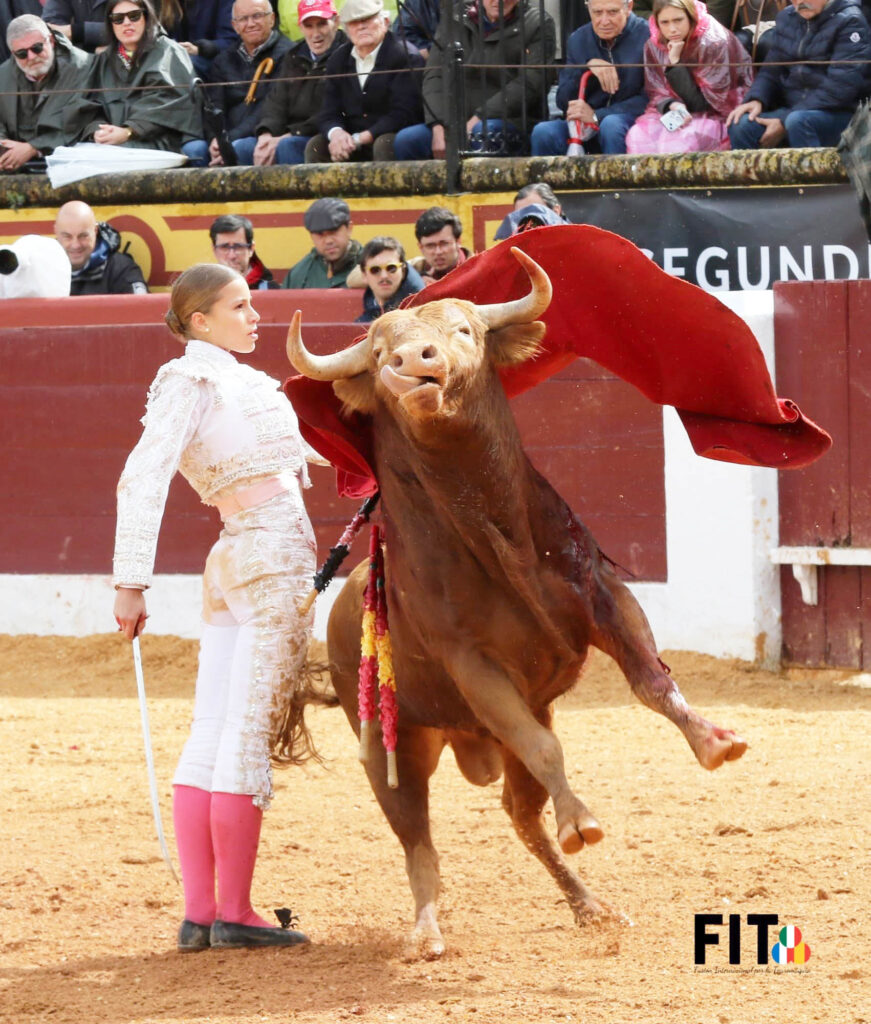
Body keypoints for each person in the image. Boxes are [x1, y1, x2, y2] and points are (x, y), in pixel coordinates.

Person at [112, 262, 319, 952]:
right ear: (199, 320)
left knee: (212, 729)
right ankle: (234, 910)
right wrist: (130, 581)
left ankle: (200, 911)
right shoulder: (194, 379)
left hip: (234, 555)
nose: (254, 315)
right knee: (243, 732)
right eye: (239, 305)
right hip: (268, 556)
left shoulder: (236, 381)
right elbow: (142, 476)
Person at [393, 0, 555, 160]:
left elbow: (530, 83)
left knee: (484, 133)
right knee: (407, 141)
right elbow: (434, 75)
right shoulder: (455, 16)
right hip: (454, 121)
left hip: (509, 121)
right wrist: (438, 125)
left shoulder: (537, 22)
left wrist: (479, 117)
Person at [726, 0, 871, 149]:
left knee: (798, 122)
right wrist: (757, 99)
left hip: (839, 115)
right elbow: (771, 70)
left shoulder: (851, 21)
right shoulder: (787, 18)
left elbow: (840, 88)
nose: (801, 2)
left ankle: (816, 173)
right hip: (793, 111)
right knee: (740, 125)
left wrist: (784, 120)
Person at [625, 0, 753, 154]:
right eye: (664, 22)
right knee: (638, 136)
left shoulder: (713, 42)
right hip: (677, 111)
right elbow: (656, 90)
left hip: (714, 115)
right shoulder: (654, 44)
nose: (672, 29)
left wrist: (675, 64)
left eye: (678, 20)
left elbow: (708, 103)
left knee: (676, 144)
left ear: (690, 18)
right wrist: (671, 105)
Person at [305, 0, 423, 163]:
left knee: (385, 144)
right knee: (316, 145)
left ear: (386, 22)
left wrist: (362, 138)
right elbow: (328, 111)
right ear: (346, 30)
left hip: (387, 133)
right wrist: (337, 134)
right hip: (350, 138)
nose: (361, 26)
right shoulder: (338, 60)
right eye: (354, 22)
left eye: (367, 19)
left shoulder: (405, 56)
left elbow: (404, 113)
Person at [530, 0, 649, 156]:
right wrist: (586, 66)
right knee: (543, 132)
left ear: (629, 8)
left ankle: (615, 181)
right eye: (597, 13)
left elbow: (651, 97)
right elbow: (562, 100)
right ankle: (544, 181)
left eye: (612, 12)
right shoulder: (579, 38)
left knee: (611, 125)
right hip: (584, 125)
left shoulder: (647, 35)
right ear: (589, 9)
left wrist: (596, 116)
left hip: (628, 120)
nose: (604, 21)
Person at [182, 0, 291, 166]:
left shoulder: (287, 54)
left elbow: (268, 108)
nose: (250, 24)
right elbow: (213, 105)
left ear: (272, 19)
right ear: (234, 25)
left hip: (259, 134)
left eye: (257, 16)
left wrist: (227, 141)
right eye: (243, 19)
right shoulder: (224, 58)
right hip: (225, 138)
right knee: (194, 150)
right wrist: (215, 139)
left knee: (242, 147)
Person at [240, 0, 346, 166]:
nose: (316, 33)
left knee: (287, 146)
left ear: (336, 22)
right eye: (309, 26)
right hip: (289, 133)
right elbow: (276, 101)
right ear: (300, 27)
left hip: (323, 133)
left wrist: (289, 135)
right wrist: (266, 134)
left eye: (322, 24)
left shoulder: (346, 53)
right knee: (243, 147)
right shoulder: (293, 55)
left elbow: (330, 110)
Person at [88, 0, 201, 153]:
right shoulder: (103, 60)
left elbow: (171, 101)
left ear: (147, 18)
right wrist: (99, 131)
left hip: (161, 143)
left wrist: (129, 131)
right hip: (110, 144)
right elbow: (89, 105)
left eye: (134, 16)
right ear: (111, 24)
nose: (126, 23)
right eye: (118, 18)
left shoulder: (169, 51)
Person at [0, 15, 99, 172]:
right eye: (22, 54)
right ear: (13, 54)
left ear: (51, 41)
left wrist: (32, 148)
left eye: (37, 48)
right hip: (13, 165)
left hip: (69, 165)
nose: (31, 57)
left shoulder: (83, 68)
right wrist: (4, 146)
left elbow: (79, 124)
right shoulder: (3, 75)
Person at [55, 200, 149, 294]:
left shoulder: (121, 270)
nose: (76, 245)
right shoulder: (43, 270)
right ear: (56, 232)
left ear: (95, 231)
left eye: (83, 236)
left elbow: (143, 306)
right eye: (67, 236)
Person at [282, 197, 363, 288]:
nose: (328, 241)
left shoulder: (373, 267)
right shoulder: (299, 275)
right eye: (320, 234)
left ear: (349, 228)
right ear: (311, 236)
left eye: (334, 231)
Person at [355, 235, 424, 322]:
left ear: (403, 271)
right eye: (375, 270)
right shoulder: (361, 323)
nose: (384, 275)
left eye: (391, 268)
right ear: (364, 275)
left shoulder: (420, 314)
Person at [156, 0, 236, 75]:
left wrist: (199, 49)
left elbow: (231, 41)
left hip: (213, 62)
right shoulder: (167, 4)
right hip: (177, 60)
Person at [210, 213, 278, 289]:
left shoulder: (269, 290)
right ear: (214, 250)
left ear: (251, 248)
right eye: (224, 247)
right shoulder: (203, 291)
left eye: (238, 247)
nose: (232, 255)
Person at [411, 206, 470, 284]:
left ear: (458, 242)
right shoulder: (410, 273)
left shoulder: (479, 270)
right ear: (420, 247)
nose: (438, 252)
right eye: (430, 246)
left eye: (444, 244)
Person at [43, 0, 110, 53]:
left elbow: (119, 26)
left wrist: (74, 31)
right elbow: (49, 30)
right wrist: (90, 50)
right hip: (81, 61)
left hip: (117, 61)